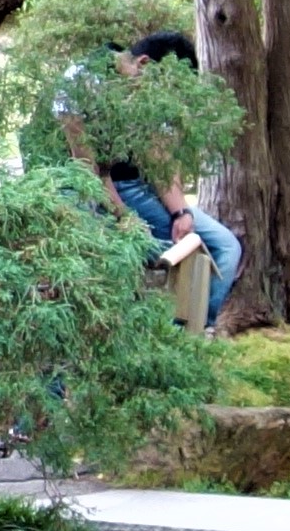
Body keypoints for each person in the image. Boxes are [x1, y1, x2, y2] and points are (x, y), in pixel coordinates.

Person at [63, 24, 242, 330]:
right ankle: (158, 338)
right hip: (85, 190)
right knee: (157, 256)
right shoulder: (81, 81)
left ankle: (193, 334)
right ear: (143, 64)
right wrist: (124, 219)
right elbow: (90, 170)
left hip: (137, 188)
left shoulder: (145, 91)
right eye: (166, 87)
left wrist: (180, 212)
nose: (166, 98)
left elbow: (160, 158)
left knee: (225, 248)